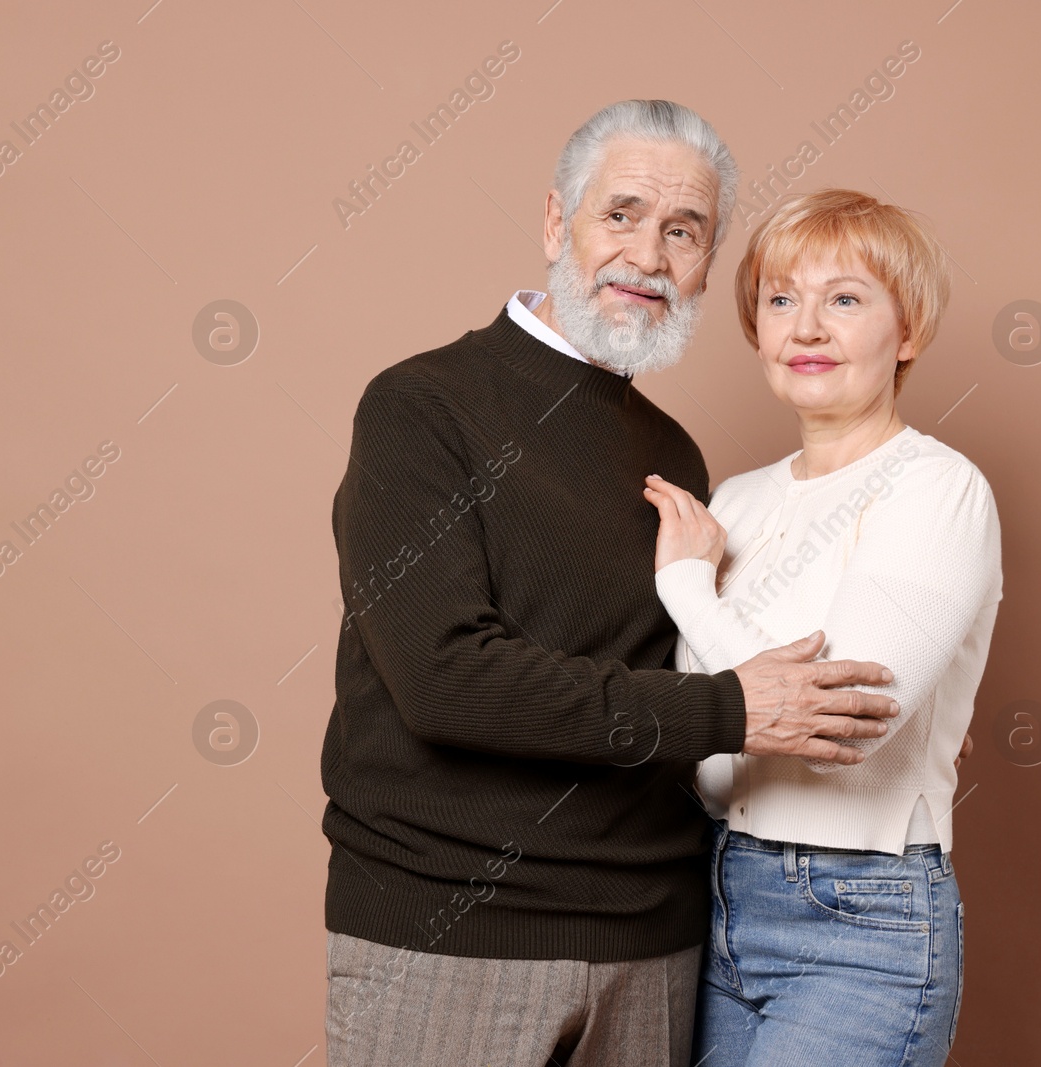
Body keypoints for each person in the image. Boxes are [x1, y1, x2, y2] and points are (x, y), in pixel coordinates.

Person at [320, 102, 906, 1067]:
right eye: (622, 214)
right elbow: (446, 678)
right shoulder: (420, 406)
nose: (648, 254)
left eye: (684, 231)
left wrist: (901, 711)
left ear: (708, 263)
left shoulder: (673, 450)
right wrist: (730, 710)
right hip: (449, 935)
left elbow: (713, 664)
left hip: (654, 943)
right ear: (558, 223)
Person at [642, 188, 1003, 1064]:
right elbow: (703, 725)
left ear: (907, 332)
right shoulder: (735, 498)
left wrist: (691, 589)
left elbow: (838, 727)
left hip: (860, 917)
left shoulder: (937, 488)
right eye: (780, 299)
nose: (806, 327)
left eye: (844, 299)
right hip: (716, 888)